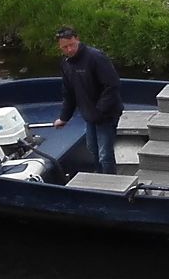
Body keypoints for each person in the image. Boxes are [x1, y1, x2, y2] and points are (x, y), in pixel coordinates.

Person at [48, 25, 123, 175]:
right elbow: (69, 93)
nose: (69, 50)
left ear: (77, 39)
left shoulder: (95, 57)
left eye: (71, 45)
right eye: (65, 47)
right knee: (92, 148)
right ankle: (99, 174)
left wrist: (99, 111)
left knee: (105, 153)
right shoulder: (66, 64)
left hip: (106, 114)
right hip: (90, 115)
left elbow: (112, 84)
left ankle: (110, 182)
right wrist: (64, 117)